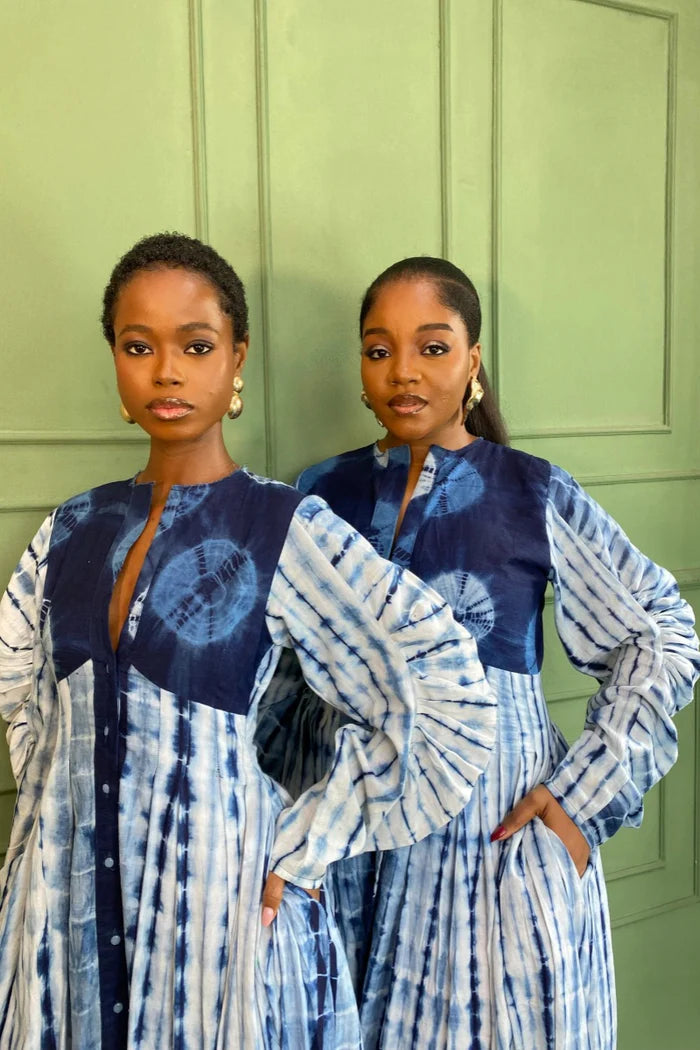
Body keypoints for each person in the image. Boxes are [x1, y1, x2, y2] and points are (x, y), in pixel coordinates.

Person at [0, 238, 499, 1050]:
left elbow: (445, 692)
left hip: (214, 928)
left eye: (196, 346)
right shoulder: (71, 527)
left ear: (237, 358)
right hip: (61, 919)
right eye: (139, 347)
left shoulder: (282, 527)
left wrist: (305, 846)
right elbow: (24, 698)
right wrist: (59, 820)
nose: (167, 372)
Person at [284, 257, 700, 1049]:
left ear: (472, 359)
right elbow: (285, 676)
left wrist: (579, 803)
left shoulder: (530, 491)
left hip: (493, 853)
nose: (404, 371)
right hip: (347, 847)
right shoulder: (319, 494)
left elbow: (661, 631)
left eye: (433, 347)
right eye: (379, 350)